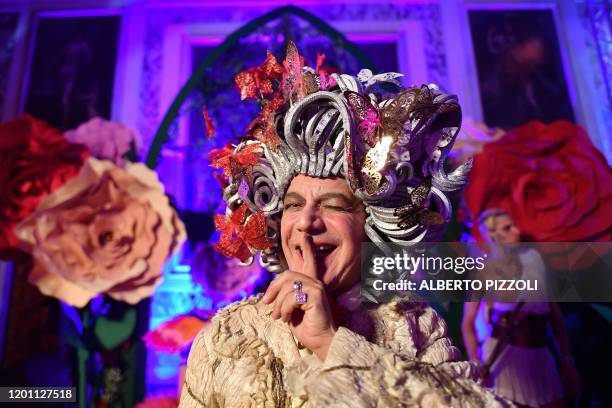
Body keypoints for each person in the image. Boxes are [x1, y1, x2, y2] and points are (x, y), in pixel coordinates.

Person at [180, 43, 508, 407]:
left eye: (333, 205)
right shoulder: (230, 336)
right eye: (293, 205)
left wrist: (332, 343)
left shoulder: (415, 326)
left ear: (370, 225)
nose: (305, 222)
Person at [462, 209, 581, 407]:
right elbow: (467, 324)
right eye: (507, 228)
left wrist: (568, 361)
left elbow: (554, 313)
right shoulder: (482, 271)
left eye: (513, 225)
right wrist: (476, 364)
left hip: (540, 354)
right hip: (503, 360)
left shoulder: (533, 259)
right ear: (492, 235)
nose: (516, 231)